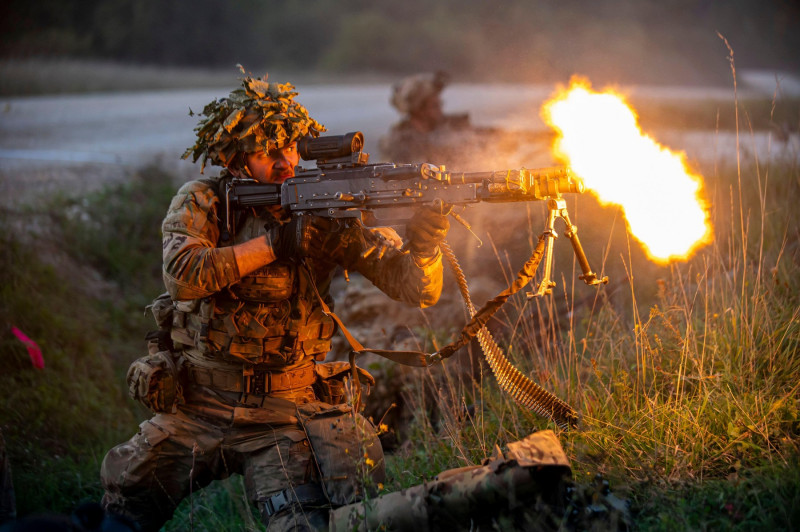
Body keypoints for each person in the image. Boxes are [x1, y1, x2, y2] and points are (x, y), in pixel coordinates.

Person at [99, 73, 450, 532]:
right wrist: (279, 242)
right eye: (268, 153)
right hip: (196, 404)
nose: (285, 163)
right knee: (122, 511)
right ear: (237, 158)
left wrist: (425, 246)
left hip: (285, 413)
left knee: (299, 524)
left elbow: (416, 289)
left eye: (291, 150)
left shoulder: (322, 211)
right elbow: (184, 276)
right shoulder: (204, 201)